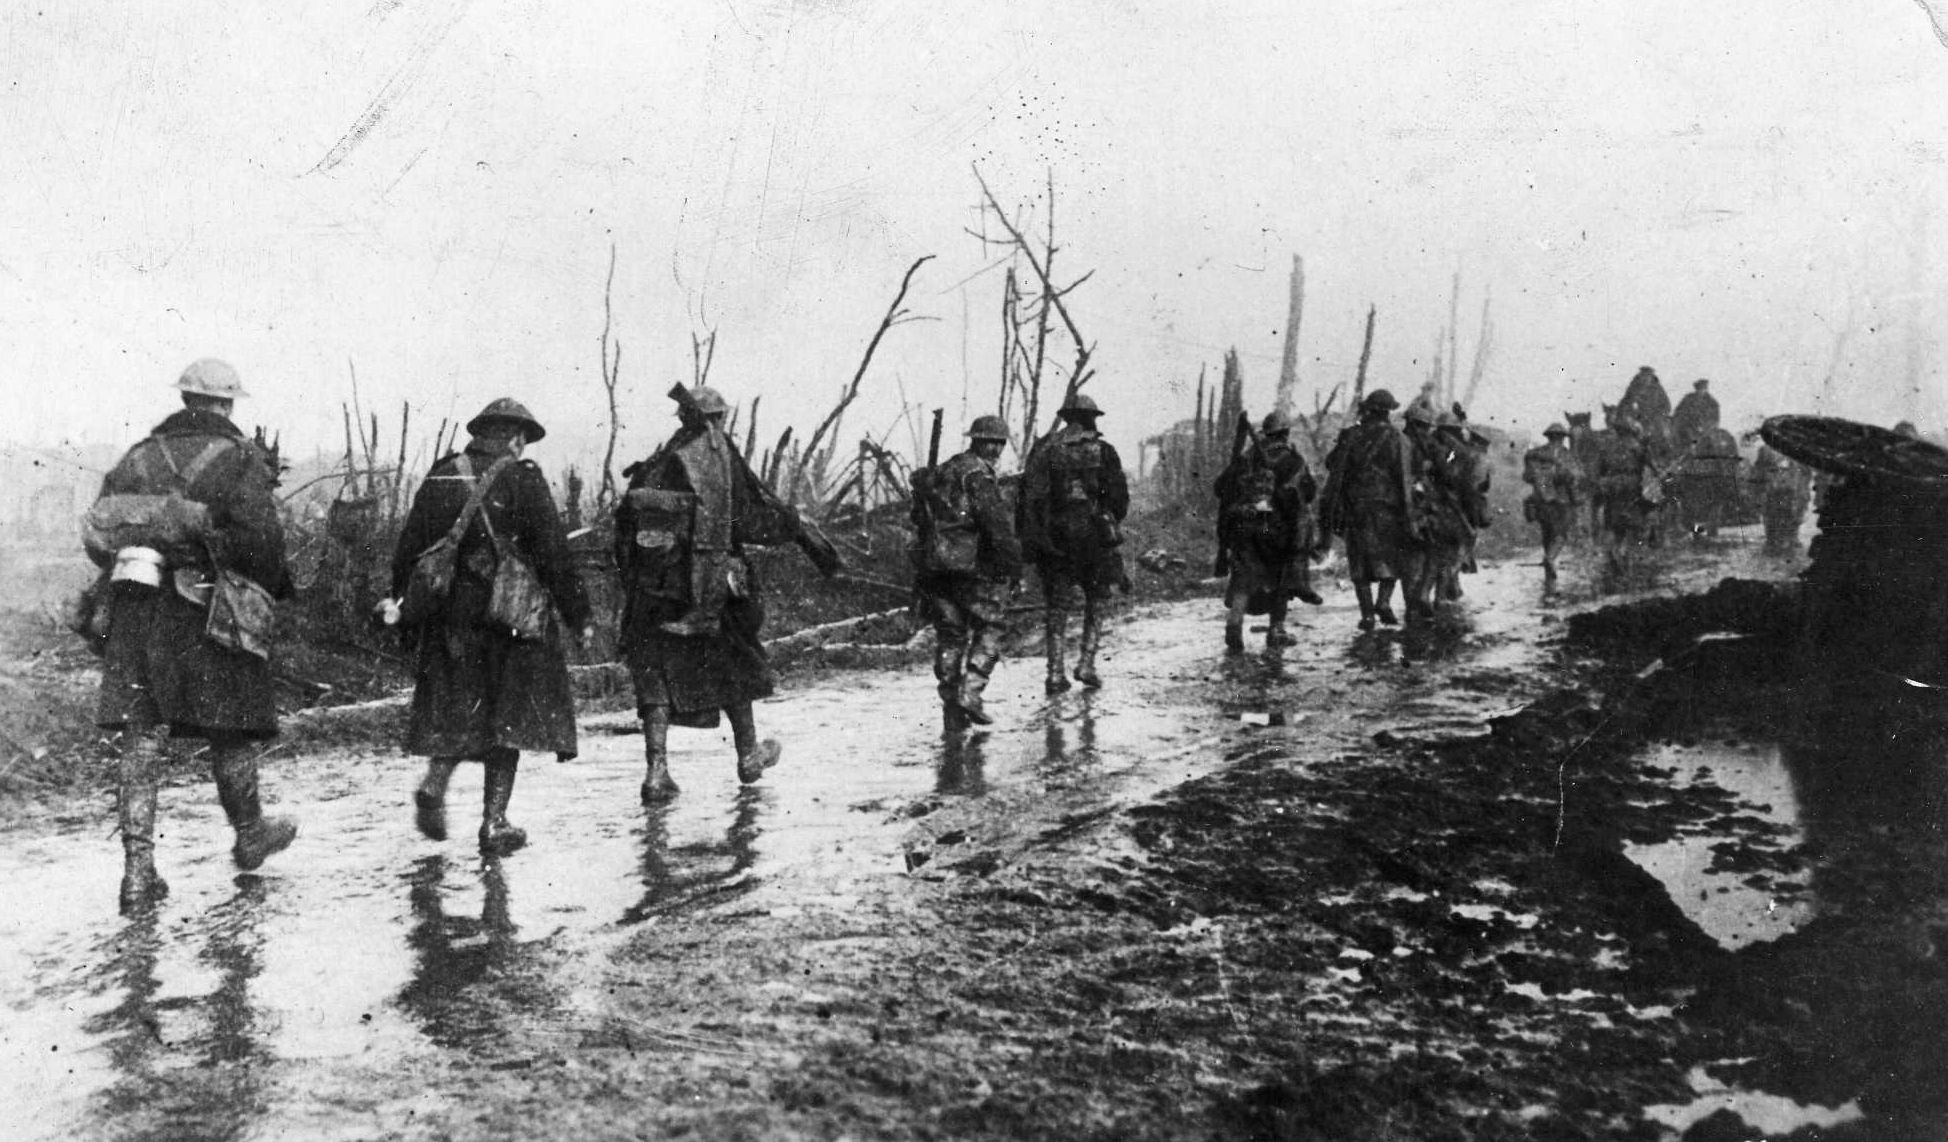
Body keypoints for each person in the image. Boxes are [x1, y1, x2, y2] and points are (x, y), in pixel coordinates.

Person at [85, 359, 298, 914]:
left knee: (141, 736)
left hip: (136, 609)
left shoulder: (137, 455)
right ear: (227, 406)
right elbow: (262, 546)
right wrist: (274, 587)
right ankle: (250, 834)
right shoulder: (240, 459)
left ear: (185, 400)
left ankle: (137, 874)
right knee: (229, 726)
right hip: (206, 610)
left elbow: (98, 534)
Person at [615, 385, 842, 803]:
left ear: (682, 418)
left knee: (656, 674)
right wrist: (790, 526)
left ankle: (657, 771)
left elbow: (626, 528)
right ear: (717, 419)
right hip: (709, 586)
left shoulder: (659, 462)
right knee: (734, 664)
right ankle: (748, 756)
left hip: (654, 588)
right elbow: (749, 520)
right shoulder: (717, 457)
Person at [386, 398, 591, 855]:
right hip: (507, 614)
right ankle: (494, 823)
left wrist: (406, 612)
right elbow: (553, 555)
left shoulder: (442, 474)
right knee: (506, 718)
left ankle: (436, 784)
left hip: (449, 615)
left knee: (462, 704)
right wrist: (580, 616)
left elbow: (409, 550)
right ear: (516, 436)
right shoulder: (523, 478)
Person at [912, 415, 1024, 727]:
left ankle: (951, 707)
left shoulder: (942, 471)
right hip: (969, 566)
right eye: (994, 443)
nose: (996, 449)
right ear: (985, 443)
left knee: (950, 635)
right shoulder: (978, 476)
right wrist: (1013, 568)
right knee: (992, 626)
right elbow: (996, 526)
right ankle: (971, 693)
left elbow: (918, 516)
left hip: (934, 566)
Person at [1017, 392, 1130, 693]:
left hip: (1056, 540)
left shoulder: (1044, 450)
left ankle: (1055, 673)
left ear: (1066, 417)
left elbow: (1029, 497)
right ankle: (1087, 664)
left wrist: (1036, 539)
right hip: (1094, 537)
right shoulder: (1104, 451)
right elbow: (1119, 500)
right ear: (1093, 418)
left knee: (1057, 606)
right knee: (1098, 599)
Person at [1213, 410, 1324, 651]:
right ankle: (1276, 630)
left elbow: (1220, 487)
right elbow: (1309, 493)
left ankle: (1234, 623)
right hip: (1276, 530)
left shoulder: (1245, 458)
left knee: (1242, 581)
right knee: (1281, 579)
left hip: (1244, 526)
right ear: (1285, 433)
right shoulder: (1293, 460)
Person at [1319, 389, 1420, 630]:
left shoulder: (1350, 436)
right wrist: (1410, 516)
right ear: (1387, 412)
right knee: (1392, 557)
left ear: (1367, 410)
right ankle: (1383, 602)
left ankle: (1367, 616)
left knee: (1359, 563)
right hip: (1389, 509)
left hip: (1356, 509)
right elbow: (1405, 477)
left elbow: (1331, 464)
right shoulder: (1399, 439)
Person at [1590, 413, 1658, 571]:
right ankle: (1627, 557)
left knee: (1612, 525)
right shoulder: (1638, 446)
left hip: (1611, 488)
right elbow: (1652, 466)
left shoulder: (1607, 447)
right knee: (1636, 525)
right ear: (1632, 431)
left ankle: (1614, 552)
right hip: (1632, 488)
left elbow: (1598, 471)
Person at [1523, 423, 1583, 583]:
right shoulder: (1567, 455)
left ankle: (1548, 563)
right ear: (1563, 437)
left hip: (1541, 500)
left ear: (1548, 436)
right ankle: (1550, 559)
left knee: (1547, 532)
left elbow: (1527, 477)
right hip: (1562, 500)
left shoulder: (1536, 454)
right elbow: (1575, 476)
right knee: (1561, 534)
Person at [1671, 378, 1720, 450]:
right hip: (1688, 426)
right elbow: (1679, 411)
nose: (1701, 391)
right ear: (1696, 389)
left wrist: (1705, 426)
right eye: (1699, 389)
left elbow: (1715, 419)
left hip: (1705, 428)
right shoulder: (1688, 398)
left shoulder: (1712, 402)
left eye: (1703, 389)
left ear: (1706, 389)